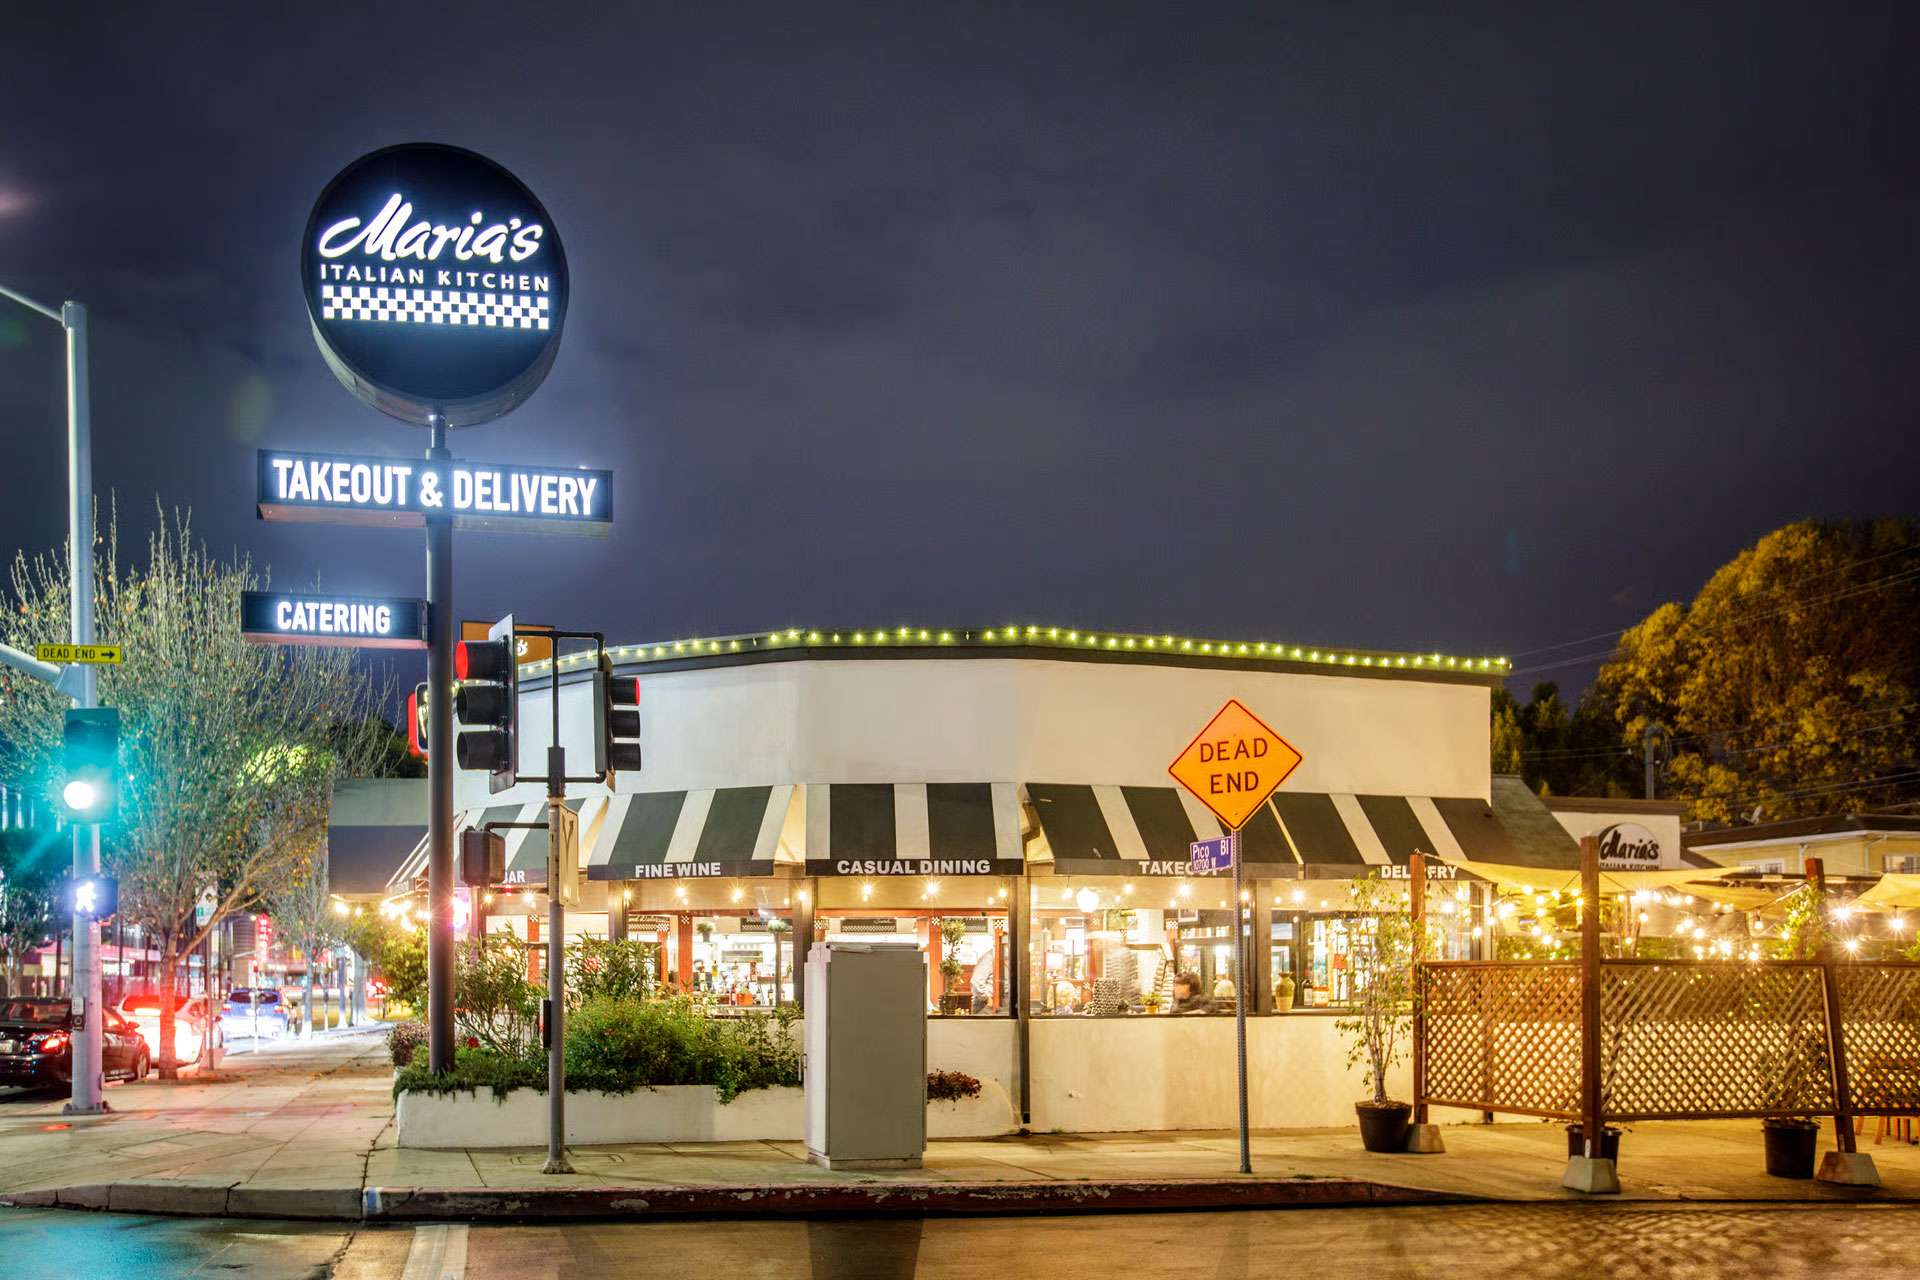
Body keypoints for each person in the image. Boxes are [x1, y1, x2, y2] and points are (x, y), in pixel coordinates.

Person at [971, 950, 996, 1015]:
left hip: (995, 1002)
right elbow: (976, 981)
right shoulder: (989, 957)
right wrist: (988, 999)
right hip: (986, 1003)